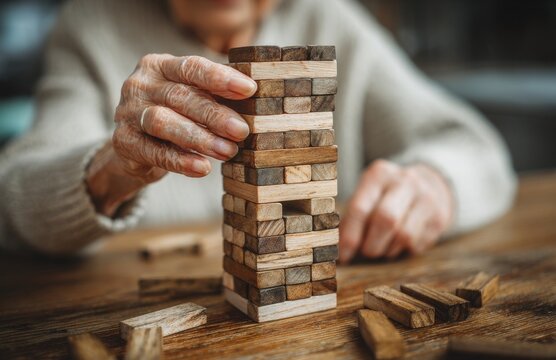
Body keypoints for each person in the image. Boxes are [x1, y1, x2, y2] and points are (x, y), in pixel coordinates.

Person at [0, 0, 516, 261]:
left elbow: (472, 145)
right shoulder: (91, 21)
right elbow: (17, 195)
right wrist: (113, 169)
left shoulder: (330, 18)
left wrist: (433, 183)